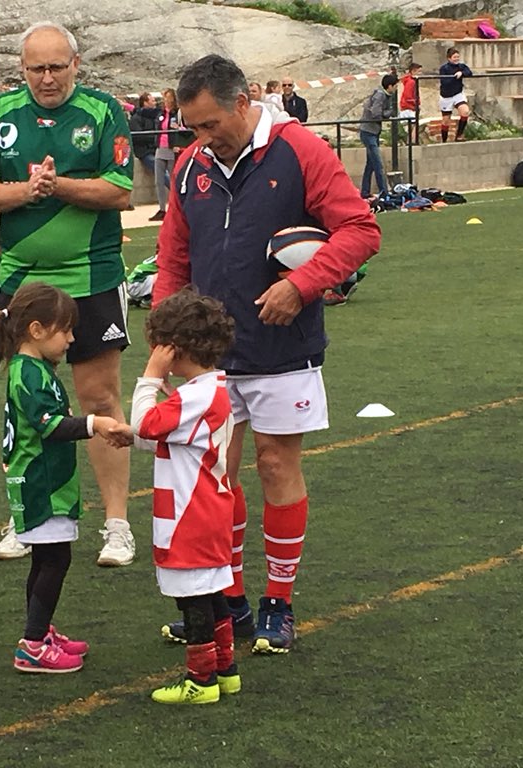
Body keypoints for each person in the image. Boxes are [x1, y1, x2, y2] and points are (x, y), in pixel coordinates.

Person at [154, 54, 380, 654]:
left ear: (243, 101)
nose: (200, 138)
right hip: (209, 359)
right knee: (215, 480)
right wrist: (165, 327)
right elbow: (174, 255)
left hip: (283, 348)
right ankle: (229, 600)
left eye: (208, 125)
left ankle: (278, 602)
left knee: (277, 467)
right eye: (191, 128)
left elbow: (361, 229)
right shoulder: (188, 166)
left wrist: (302, 285)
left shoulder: (301, 150)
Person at [0, 21, 137, 567]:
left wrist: (57, 183)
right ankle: (25, 518)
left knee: (98, 398)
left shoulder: (103, 111)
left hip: (92, 274)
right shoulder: (0, 115)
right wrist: (27, 189)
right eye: (35, 68)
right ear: (21, 68)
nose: (46, 78)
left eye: (56, 67)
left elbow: (119, 190)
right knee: (25, 402)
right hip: (21, 280)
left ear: (75, 65)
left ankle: (116, 525)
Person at [0, 282, 127, 673]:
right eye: (65, 330)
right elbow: (49, 427)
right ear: (37, 330)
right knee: (54, 560)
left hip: (46, 479)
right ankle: (32, 644)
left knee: (47, 559)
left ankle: (40, 631)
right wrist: (95, 423)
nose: (72, 338)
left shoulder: (34, 368)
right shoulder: (28, 373)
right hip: (42, 483)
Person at [128, 287, 239, 705]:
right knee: (211, 593)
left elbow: (145, 423)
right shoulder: (211, 391)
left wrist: (149, 376)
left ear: (173, 349)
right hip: (210, 508)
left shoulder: (193, 396)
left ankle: (201, 681)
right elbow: (168, 437)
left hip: (189, 515)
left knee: (192, 597)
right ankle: (226, 670)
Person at [358, 74, 399, 200]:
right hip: (368, 132)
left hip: (373, 132)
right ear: (390, 86)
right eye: (395, 86)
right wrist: (388, 113)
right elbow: (376, 114)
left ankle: (365, 191)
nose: (396, 88)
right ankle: (384, 192)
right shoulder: (380, 95)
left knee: (370, 164)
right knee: (377, 163)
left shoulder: (385, 95)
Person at [152, 88, 184, 222]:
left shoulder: (177, 113)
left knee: (173, 179)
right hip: (161, 147)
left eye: (168, 98)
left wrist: (179, 129)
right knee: (159, 180)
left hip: (172, 149)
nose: (166, 100)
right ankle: (161, 208)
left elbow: (185, 128)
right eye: (165, 98)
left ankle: (176, 207)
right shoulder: (161, 113)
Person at [438, 47, 473, 143]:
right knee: (446, 120)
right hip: (446, 96)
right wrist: (454, 77)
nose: (457, 59)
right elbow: (445, 82)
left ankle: (459, 135)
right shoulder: (444, 68)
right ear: (449, 58)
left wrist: (461, 73)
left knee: (465, 111)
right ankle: (444, 141)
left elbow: (469, 72)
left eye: (458, 57)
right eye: (454, 57)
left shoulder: (461, 66)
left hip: (458, 94)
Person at [129, 92, 159, 176]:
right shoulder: (136, 118)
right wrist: (154, 138)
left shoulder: (156, 116)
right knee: (159, 168)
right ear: (145, 103)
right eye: (152, 101)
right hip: (144, 151)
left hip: (156, 149)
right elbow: (138, 136)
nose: (155, 103)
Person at [398, 63, 422, 142]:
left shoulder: (410, 81)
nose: (420, 74)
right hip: (409, 107)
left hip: (408, 106)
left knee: (411, 126)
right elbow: (408, 96)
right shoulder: (411, 82)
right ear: (413, 71)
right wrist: (416, 103)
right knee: (414, 126)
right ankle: (412, 141)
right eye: (419, 72)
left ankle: (410, 141)